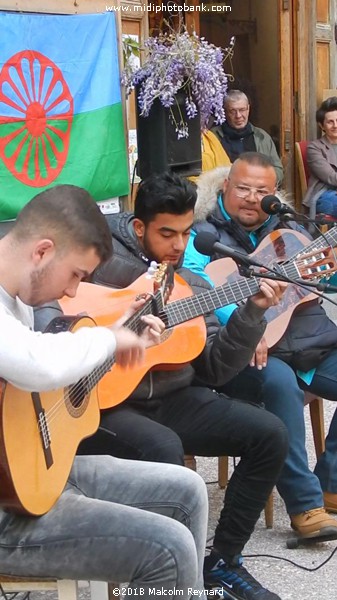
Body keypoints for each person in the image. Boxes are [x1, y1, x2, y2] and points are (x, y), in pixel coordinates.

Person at [76, 171, 289, 600]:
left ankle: (222, 562)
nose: (179, 245)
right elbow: (63, 312)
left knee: (269, 434)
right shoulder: (98, 266)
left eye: (187, 233)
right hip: (105, 403)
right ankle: (165, 580)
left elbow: (213, 370)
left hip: (174, 396)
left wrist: (253, 312)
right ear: (139, 228)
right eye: (167, 234)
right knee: (162, 448)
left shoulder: (192, 284)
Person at [0, 184, 210, 599]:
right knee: (168, 549)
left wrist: (122, 330)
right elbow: (35, 362)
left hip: (33, 474)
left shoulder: (18, 299)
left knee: (188, 490)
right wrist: (112, 341)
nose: (73, 291)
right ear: (42, 251)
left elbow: (47, 368)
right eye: (76, 274)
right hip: (7, 514)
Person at [183, 151, 337, 543]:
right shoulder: (201, 235)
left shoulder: (290, 231)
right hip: (239, 351)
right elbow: (200, 287)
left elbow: (319, 284)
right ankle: (306, 507)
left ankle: (331, 480)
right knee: (280, 383)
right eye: (243, 189)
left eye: (262, 192)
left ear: (275, 195)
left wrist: (328, 267)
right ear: (225, 187)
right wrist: (249, 326)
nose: (252, 198)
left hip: (305, 341)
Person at [211, 89, 283, 185]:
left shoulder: (262, 137)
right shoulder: (213, 137)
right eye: (233, 111)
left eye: (242, 110)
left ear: (248, 109)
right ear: (224, 112)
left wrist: (262, 182)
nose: (238, 116)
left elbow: (278, 170)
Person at [303, 96, 337, 218]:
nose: (335, 125)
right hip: (324, 195)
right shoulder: (315, 148)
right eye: (330, 122)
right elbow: (332, 178)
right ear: (321, 125)